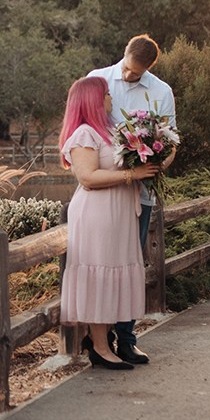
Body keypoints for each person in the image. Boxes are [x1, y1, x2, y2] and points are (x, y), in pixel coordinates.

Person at [88, 35, 177, 365]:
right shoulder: (96, 80)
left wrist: (153, 165)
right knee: (101, 265)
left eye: (136, 74)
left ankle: (126, 337)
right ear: (122, 56)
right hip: (106, 193)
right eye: (126, 69)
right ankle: (100, 337)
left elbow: (170, 142)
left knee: (130, 267)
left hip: (141, 194)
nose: (128, 77)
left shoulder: (161, 92)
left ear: (149, 69)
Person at [59, 75, 156, 368]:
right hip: (97, 215)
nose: (110, 99)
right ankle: (100, 347)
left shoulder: (111, 132)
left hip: (120, 216)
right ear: (94, 100)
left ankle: (106, 341)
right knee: (99, 277)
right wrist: (131, 175)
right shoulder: (84, 134)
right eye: (106, 95)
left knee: (115, 274)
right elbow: (87, 177)